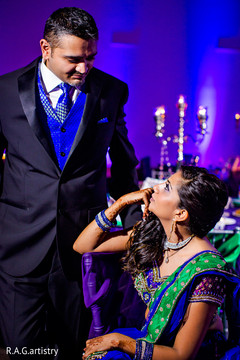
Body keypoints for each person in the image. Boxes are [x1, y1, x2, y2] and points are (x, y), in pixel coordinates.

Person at [0, 7, 142, 359]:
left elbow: (124, 168)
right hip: (19, 246)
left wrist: (135, 232)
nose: (84, 68)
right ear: (45, 48)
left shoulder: (111, 91)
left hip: (82, 247)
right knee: (22, 350)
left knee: (73, 348)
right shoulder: (4, 91)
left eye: (91, 57)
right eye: (74, 59)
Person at [73, 165, 240, 360]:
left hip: (196, 353)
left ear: (180, 214)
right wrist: (121, 202)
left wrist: (118, 341)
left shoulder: (206, 271)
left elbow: (181, 355)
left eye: (167, 186)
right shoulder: (154, 235)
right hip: (151, 338)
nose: (156, 187)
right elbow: (83, 246)